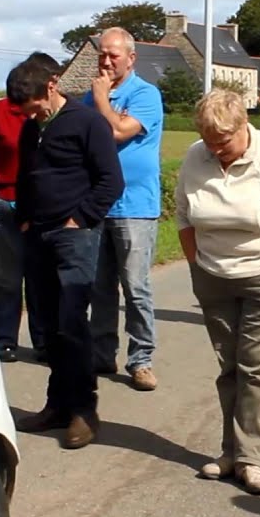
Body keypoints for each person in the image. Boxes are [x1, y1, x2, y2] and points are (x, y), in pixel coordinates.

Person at [176, 89, 260, 495]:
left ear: (243, 127)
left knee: (256, 366)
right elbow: (184, 213)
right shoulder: (194, 156)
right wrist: (196, 263)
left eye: (225, 142)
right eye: (210, 142)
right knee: (229, 366)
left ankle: (252, 459)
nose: (217, 150)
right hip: (213, 275)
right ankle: (230, 452)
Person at [12, 55, 124, 449]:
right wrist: (25, 218)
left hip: (74, 236)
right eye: (26, 111)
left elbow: (111, 180)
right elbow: (25, 177)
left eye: (36, 105)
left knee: (72, 324)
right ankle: (56, 404)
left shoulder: (88, 122)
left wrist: (80, 219)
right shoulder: (31, 129)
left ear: (53, 85)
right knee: (46, 326)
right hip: (37, 235)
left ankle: (83, 411)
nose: (34, 114)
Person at [83, 27, 164, 392]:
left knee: (135, 286)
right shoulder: (89, 99)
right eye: (102, 53)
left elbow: (117, 132)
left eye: (113, 54)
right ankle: (102, 352)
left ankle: (141, 359)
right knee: (99, 287)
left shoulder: (146, 94)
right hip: (97, 205)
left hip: (135, 206)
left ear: (131, 58)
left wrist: (101, 98)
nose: (106, 60)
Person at [0, 52, 61, 363]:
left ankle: (43, 340)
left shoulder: (55, 117)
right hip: (4, 203)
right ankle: (4, 339)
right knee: (8, 277)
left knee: (41, 277)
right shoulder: (0, 112)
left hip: (42, 207)